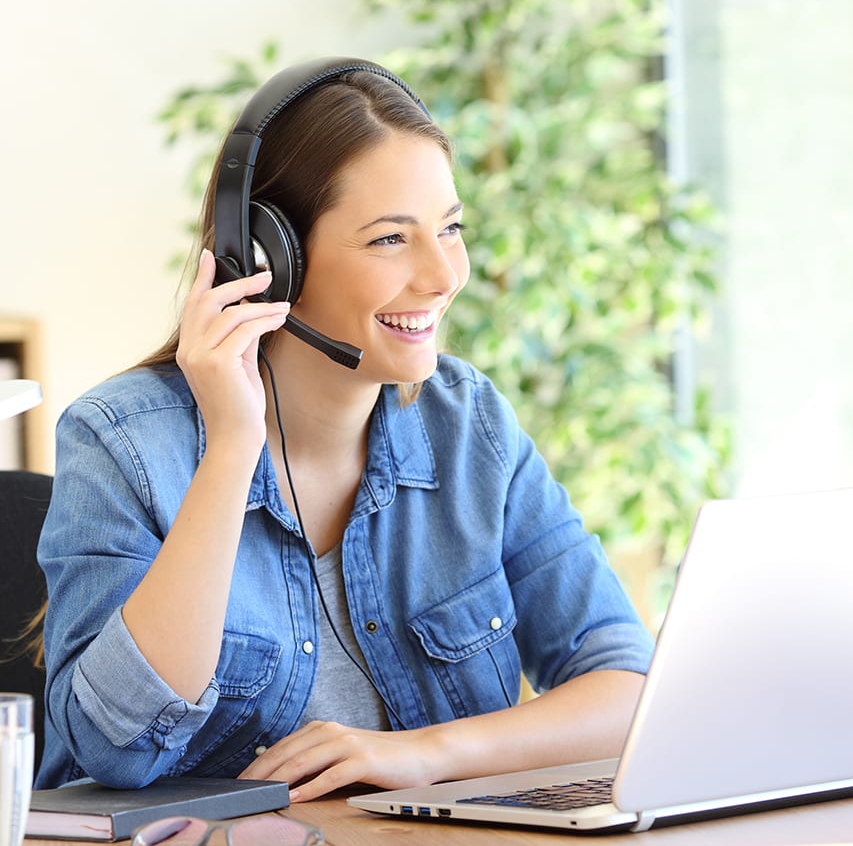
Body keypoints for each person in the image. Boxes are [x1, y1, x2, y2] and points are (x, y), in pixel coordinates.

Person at [36, 58, 655, 801]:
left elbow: (629, 689)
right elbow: (116, 748)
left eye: (450, 228)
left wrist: (423, 754)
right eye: (391, 239)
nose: (442, 276)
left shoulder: (469, 427)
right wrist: (234, 445)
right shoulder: (124, 443)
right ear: (271, 260)